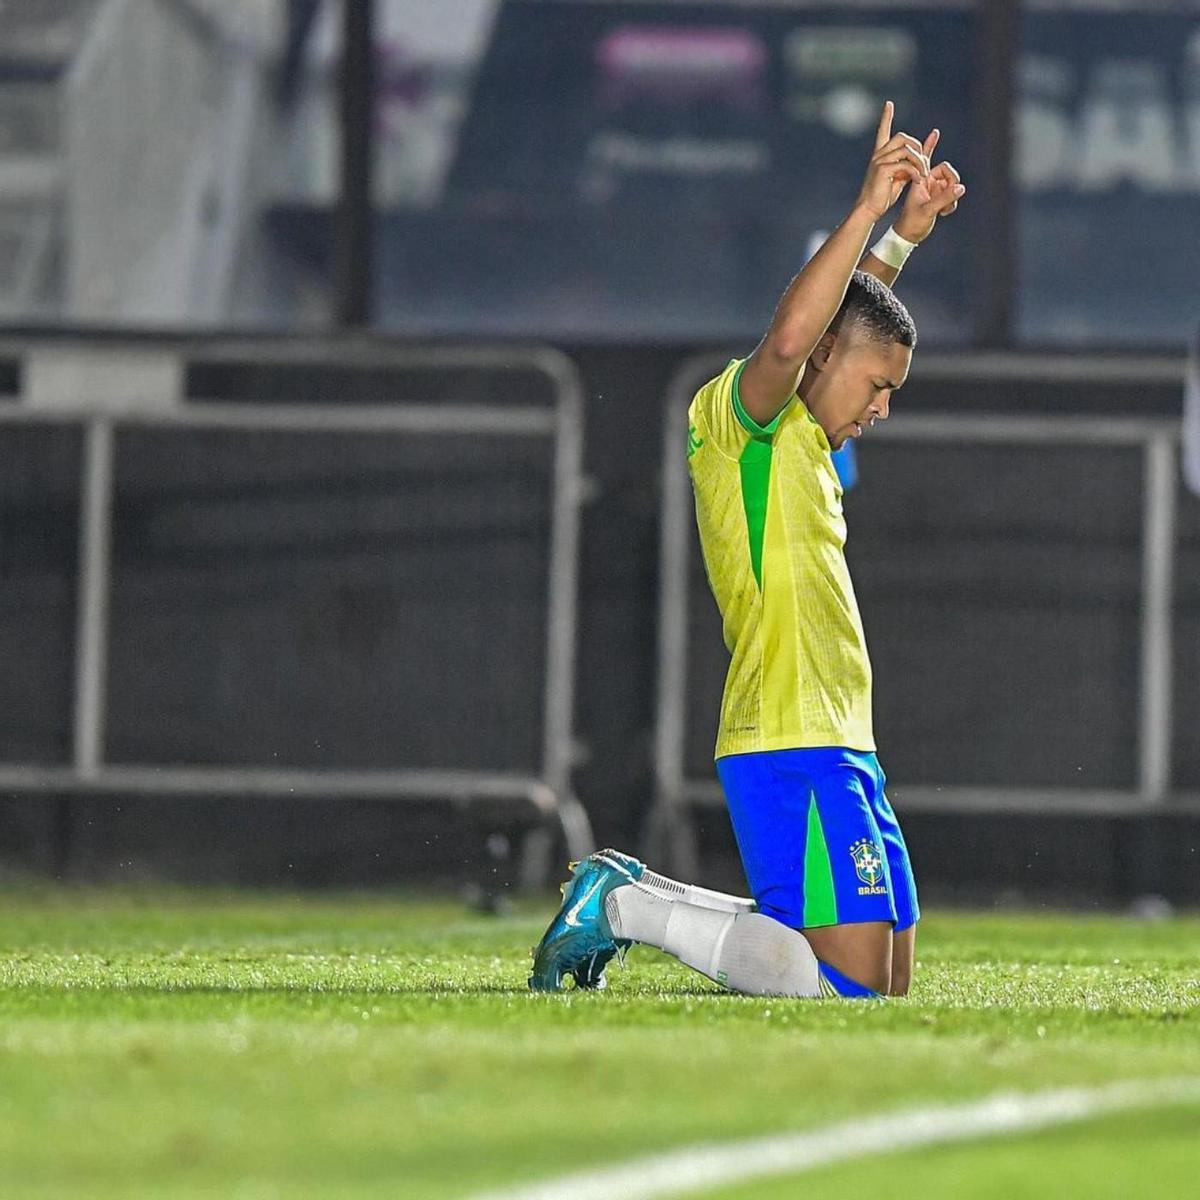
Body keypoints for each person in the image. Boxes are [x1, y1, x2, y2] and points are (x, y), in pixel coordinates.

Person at [530, 101, 966, 999]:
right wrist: (865, 208)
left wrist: (903, 241)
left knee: (886, 988)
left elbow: (848, 331)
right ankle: (624, 911)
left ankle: (629, 895)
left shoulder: (806, 431)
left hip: (844, 736)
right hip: (791, 736)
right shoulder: (738, 422)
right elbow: (799, 339)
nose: (883, 405)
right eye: (880, 386)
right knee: (842, 991)